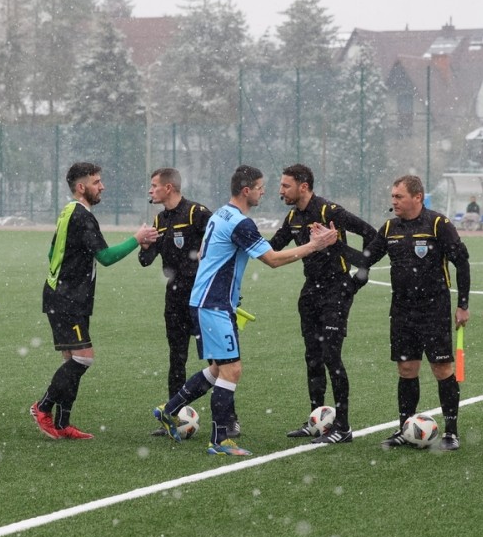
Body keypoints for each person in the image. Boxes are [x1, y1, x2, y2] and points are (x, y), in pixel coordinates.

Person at [152, 165, 337, 456]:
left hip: (210, 301)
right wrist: (314, 245)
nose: (265, 192)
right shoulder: (240, 223)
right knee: (232, 370)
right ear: (246, 190)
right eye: (261, 187)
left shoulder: (221, 214)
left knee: (218, 369)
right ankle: (219, 440)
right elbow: (272, 259)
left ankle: (169, 409)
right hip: (213, 304)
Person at [32, 162, 158, 440]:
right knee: (83, 359)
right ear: (81, 187)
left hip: (63, 295)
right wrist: (136, 239)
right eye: (96, 182)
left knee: (72, 361)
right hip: (68, 299)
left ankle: (63, 424)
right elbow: (106, 257)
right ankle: (42, 407)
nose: (102, 186)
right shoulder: (82, 217)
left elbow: (52, 252)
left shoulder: (68, 211)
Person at [360, 175, 470, 451]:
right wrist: (330, 245)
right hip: (402, 309)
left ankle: (451, 432)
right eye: (393, 196)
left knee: (442, 369)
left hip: (434, 308)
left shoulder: (438, 224)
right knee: (407, 369)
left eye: (399, 196)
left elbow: (462, 262)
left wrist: (463, 304)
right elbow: (365, 259)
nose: (394, 201)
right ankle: (405, 428)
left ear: (417, 197)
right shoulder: (390, 228)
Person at [270, 163, 376, 444]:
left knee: (331, 356)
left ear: (303, 186)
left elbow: (372, 235)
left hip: (336, 290)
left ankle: (343, 427)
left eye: (286, 185)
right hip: (310, 292)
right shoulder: (293, 216)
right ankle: (316, 420)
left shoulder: (331, 211)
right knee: (313, 357)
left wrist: (358, 276)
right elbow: (273, 247)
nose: (281, 191)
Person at [138, 168, 226, 436]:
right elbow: (145, 261)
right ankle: (172, 417)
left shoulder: (196, 213)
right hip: (174, 298)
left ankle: (228, 420)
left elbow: (221, 242)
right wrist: (144, 246)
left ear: (169, 188)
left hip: (201, 297)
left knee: (217, 360)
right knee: (177, 359)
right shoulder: (159, 219)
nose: (150, 190)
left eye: (154, 185)